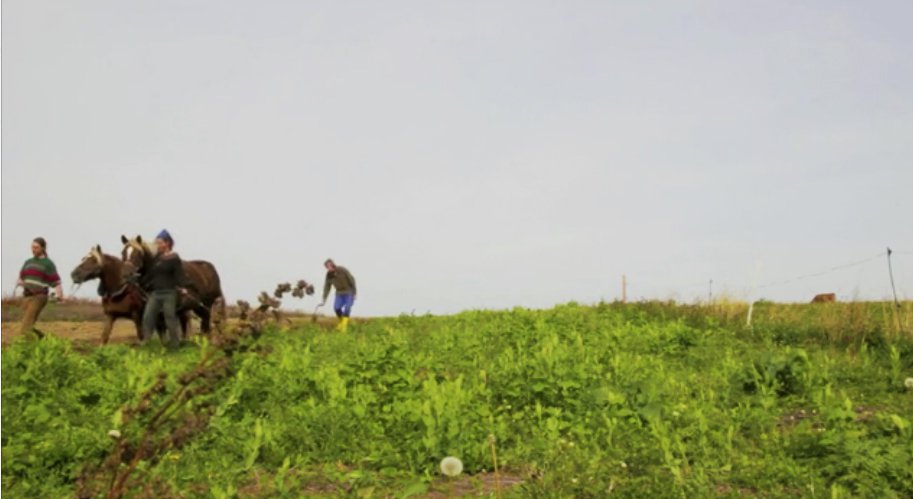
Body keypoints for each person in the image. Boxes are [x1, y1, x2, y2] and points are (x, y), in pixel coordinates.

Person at [141, 230, 186, 346]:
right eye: (156, 243)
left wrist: (183, 287)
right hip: (155, 294)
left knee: (169, 318)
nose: (157, 245)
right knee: (147, 317)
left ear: (167, 243)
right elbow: (150, 275)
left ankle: (175, 343)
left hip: (169, 293)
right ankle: (147, 342)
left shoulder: (174, 258)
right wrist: (138, 281)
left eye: (159, 243)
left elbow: (179, 275)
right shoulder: (157, 259)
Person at [17, 237, 64, 336]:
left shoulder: (48, 263)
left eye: (36, 247)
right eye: (32, 247)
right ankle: (44, 340)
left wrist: (59, 295)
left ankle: (27, 348)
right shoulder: (28, 262)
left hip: (39, 297)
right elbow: (21, 277)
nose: (33, 250)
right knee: (28, 325)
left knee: (25, 328)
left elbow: (56, 281)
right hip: (26, 296)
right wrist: (20, 282)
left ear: (43, 248)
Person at [320, 258, 356, 331]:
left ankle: (344, 326)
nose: (328, 268)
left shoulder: (342, 270)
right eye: (327, 267)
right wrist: (324, 298)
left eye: (329, 266)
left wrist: (354, 292)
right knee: (336, 308)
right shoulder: (329, 275)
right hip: (339, 293)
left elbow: (351, 279)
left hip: (348, 292)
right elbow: (327, 286)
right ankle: (342, 322)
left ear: (333, 265)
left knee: (347, 308)